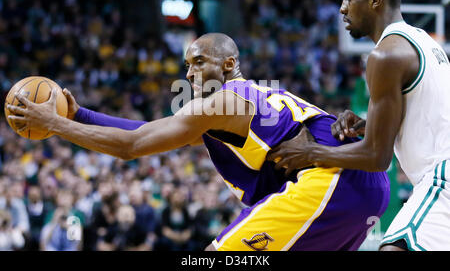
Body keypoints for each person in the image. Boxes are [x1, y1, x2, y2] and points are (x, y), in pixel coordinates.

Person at [7, 32, 389, 251]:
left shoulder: (222, 102)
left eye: (199, 62)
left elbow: (132, 145)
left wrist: (55, 124)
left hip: (331, 182)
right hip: (363, 187)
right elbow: (144, 130)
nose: (190, 73)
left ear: (227, 65)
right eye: (187, 65)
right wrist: (79, 115)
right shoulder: (243, 101)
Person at [267, 0, 450, 251]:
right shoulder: (422, 39)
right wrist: (369, 126)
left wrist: (310, 152)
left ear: (376, 0)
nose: (342, 8)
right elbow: (422, 117)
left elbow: (377, 157)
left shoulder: (386, 55)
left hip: (443, 178)